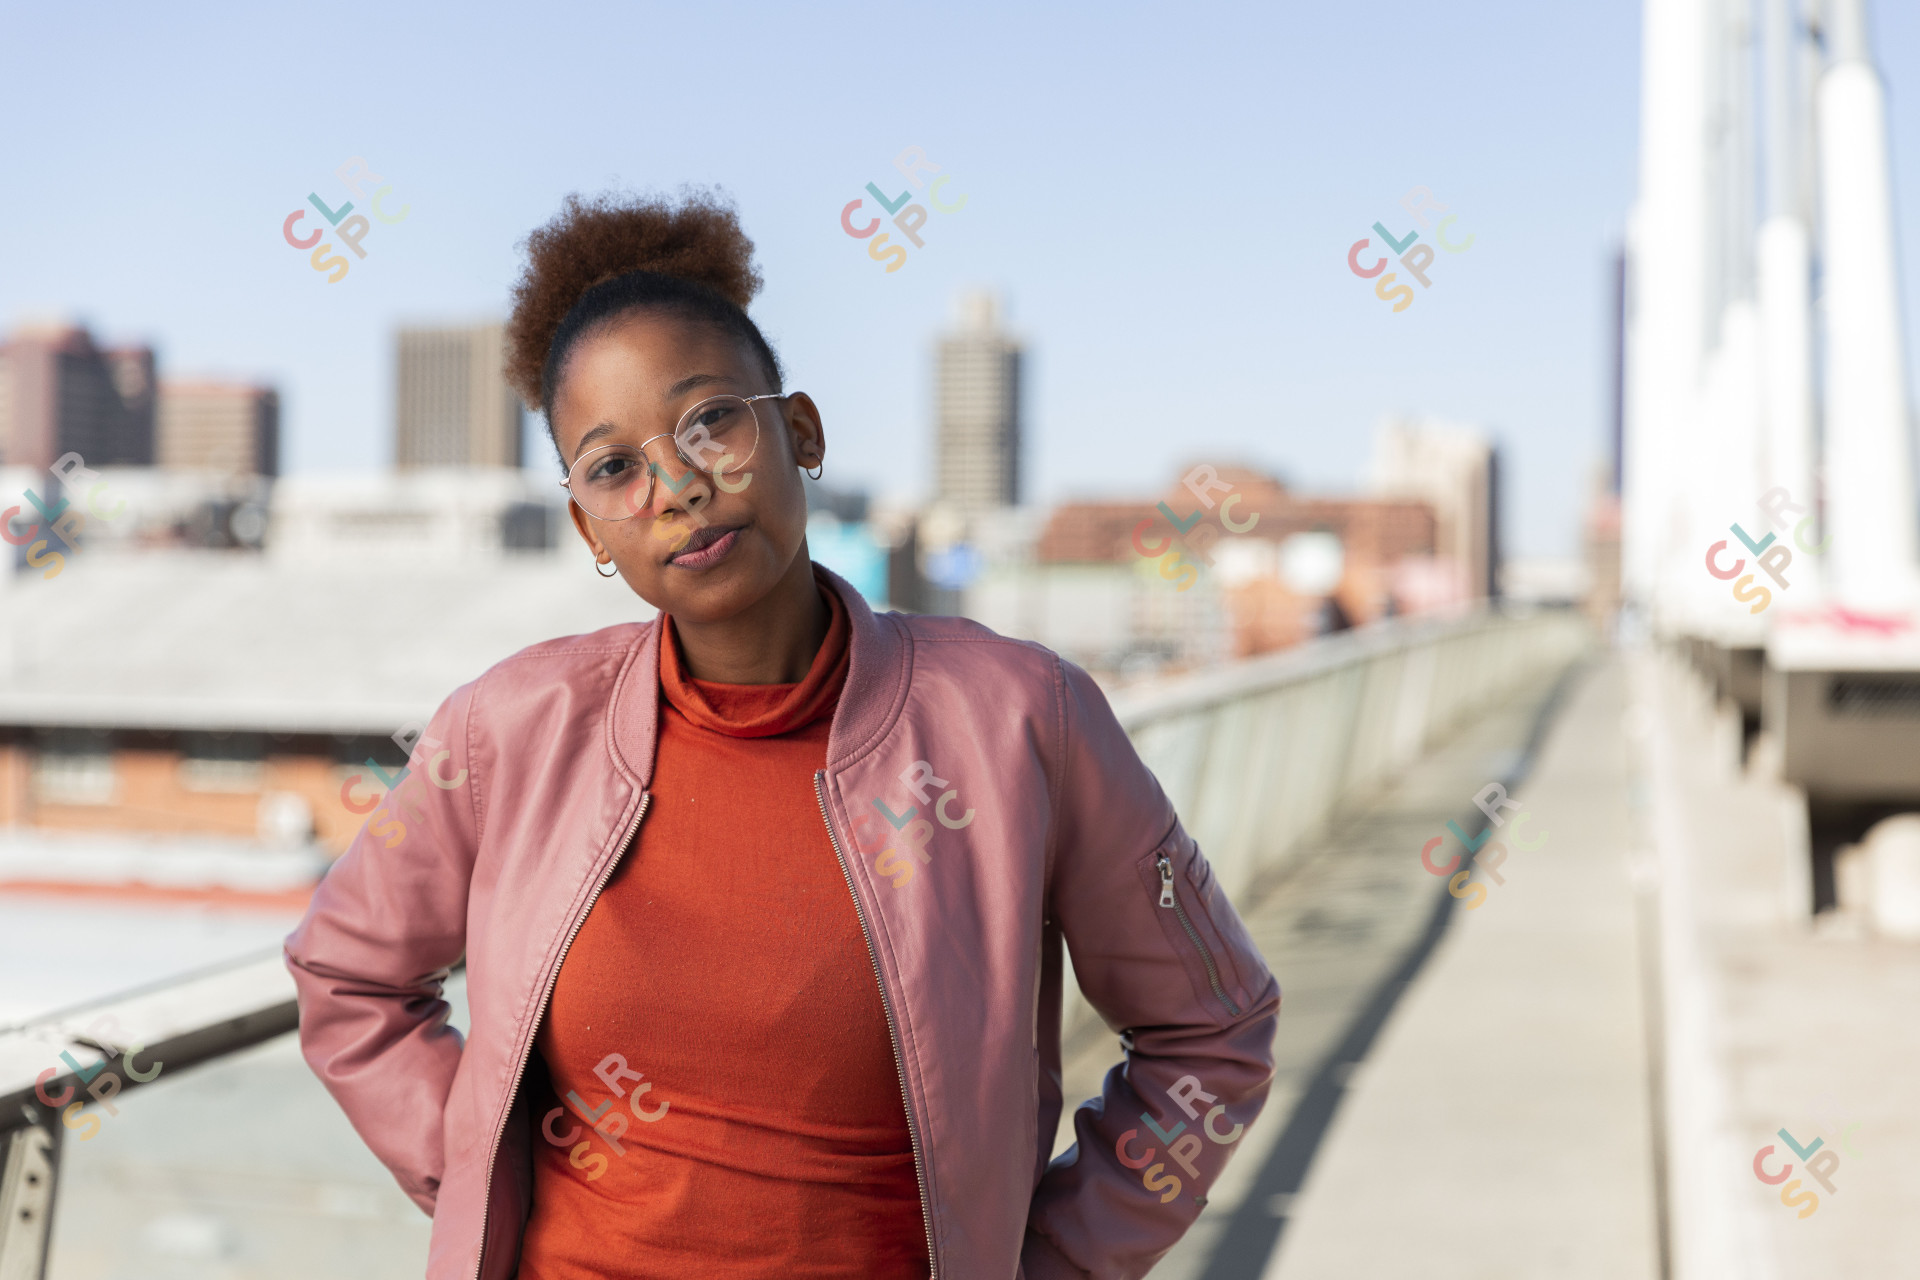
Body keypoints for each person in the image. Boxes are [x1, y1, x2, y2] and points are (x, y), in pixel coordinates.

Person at [285, 190, 1279, 1280]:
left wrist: (1054, 1260)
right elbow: (348, 974)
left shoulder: (1019, 715)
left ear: (798, 430)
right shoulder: (510, 727)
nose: (679, 487)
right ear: (589, 527)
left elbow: (1211, 1032)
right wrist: (485, 1176)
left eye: (710, 420)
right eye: (614, 466)